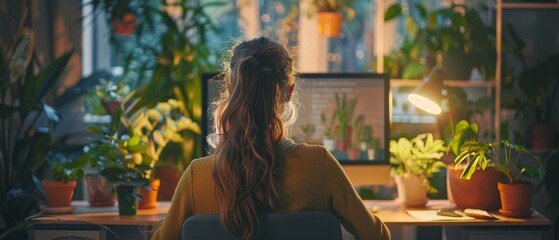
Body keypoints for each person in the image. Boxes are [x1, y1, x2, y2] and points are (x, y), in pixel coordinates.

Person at [151, 36, 390, 240]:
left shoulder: (198, 175)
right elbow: (376, 236)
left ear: (232, 87)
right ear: (288, 91)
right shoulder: (320, 165)